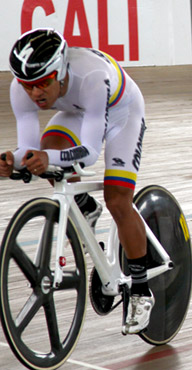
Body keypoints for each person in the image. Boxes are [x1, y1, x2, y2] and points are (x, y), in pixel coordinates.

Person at [0, 28, 154, 334]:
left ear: (60, 71)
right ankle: (85, 206)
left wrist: (45, 159)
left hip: (122, 113)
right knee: (44, 154)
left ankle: (140, 289)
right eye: (29, 85)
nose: (36, 94)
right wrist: (12, 161)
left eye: (43, 83)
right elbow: (30, 149)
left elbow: (90, 153)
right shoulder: (21, 89)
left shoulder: (91, 76)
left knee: (117, 199)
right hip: (79, 113)